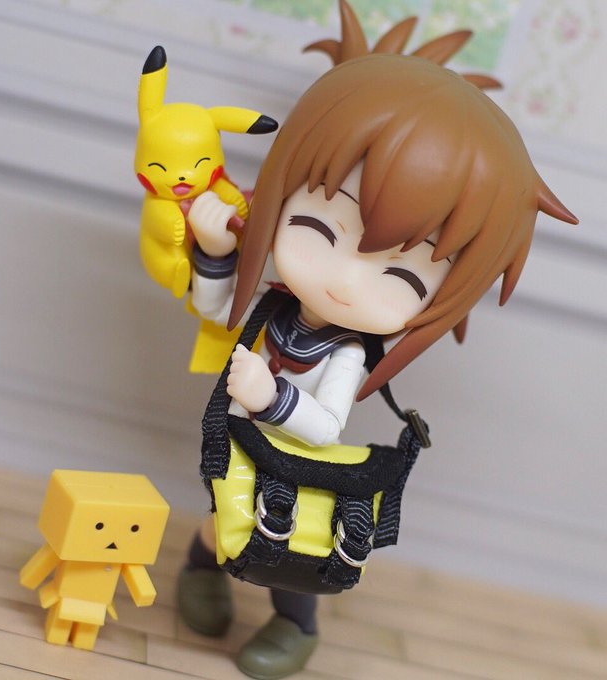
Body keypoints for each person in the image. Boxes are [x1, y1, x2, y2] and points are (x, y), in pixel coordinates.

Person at [176, 2, 577, 678]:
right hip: (237, 448)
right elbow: (217, 311)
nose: (344, 281)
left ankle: (295, 623)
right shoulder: (273, 308)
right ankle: (200, 571)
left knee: (288, 543)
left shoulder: (346, 353)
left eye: (399, 276)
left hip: (294, 466)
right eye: (321, 231)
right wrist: (215, 253)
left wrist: (270, 396)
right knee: (220, 515)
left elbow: (327, 426)